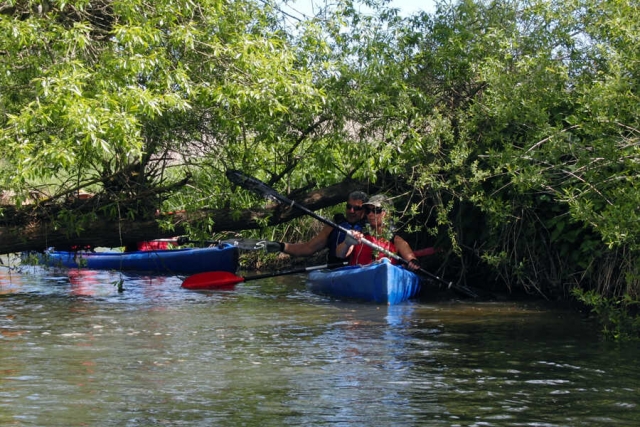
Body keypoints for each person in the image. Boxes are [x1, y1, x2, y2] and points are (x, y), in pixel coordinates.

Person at [264, 191, 369, 264]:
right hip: (336, 271)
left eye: (356, 208)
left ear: (365, 210)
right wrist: (282, 247)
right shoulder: (334, 225)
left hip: (361, 269)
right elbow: (308, 248)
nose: (351, 211)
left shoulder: (370, 226)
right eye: (349, 207)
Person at [335, 194, 420, 271]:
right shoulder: (359, 235)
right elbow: (339, 254)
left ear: (387, 213)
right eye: (368, 210)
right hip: (358, 278)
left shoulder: (396, 241)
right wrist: (347, 243)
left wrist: (413, 263)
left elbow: (412, 259)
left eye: (376, 210)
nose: (370, 214)